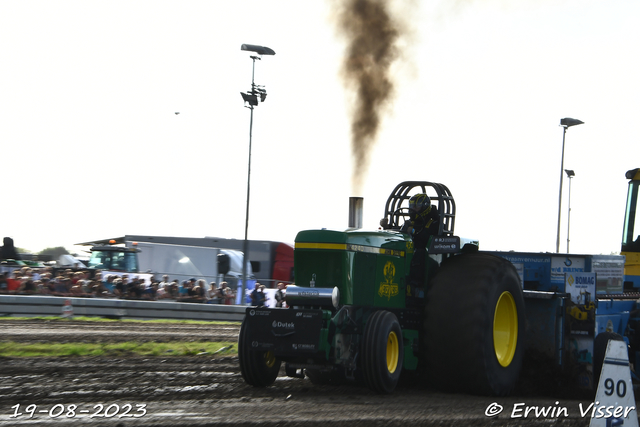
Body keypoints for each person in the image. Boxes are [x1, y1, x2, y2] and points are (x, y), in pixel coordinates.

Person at [407, 193, 440, 296]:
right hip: (410, 248)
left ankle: (417, 287)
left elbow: (427, 236)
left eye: (416, 206)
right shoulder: (411, 222)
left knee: (419, 253)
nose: (413, 209)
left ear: (424, 206)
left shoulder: (433, 222)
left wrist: (412, 231)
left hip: (428, 253)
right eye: (411, 206)